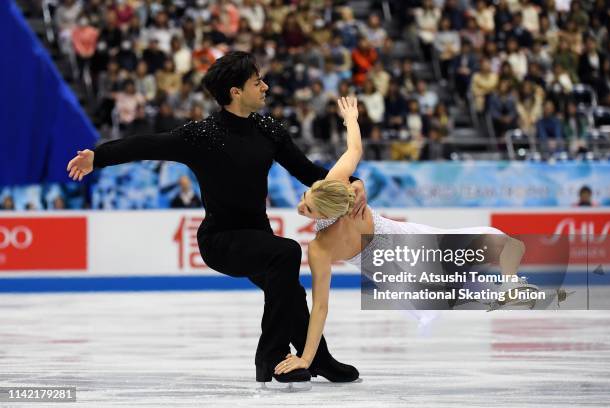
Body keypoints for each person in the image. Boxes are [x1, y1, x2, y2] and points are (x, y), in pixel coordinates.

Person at [66, 52, 365, 385]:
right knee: (287, 252)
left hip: (257, 236)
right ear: (235, 92)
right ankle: (271, 359)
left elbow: (308, 171)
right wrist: (99, 156)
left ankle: (318, 358)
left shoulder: (268, 131)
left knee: (289, 292)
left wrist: (352, 183)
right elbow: (148, 144)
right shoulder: (203, 136)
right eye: (257, 82)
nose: (265, 87)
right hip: (221, 241)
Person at [274, 96, 538, 376]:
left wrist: (305, 358)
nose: (300, 207)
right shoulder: (334, 188)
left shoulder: (321, 244)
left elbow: (320, 308)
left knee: (495, 243)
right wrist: (350, 118)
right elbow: (354, 149)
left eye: (308, 208)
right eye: (305, 199)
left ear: (329, 211)